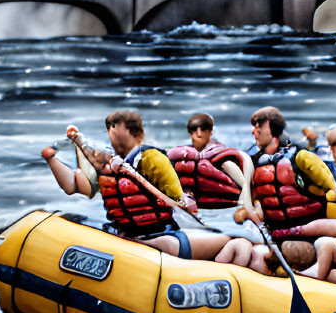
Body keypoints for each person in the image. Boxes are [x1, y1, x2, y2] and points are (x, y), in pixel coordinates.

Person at [43, 110, 262, 268]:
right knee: (239, 242)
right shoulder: (150, 158)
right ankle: (215, 279)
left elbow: (74, 186)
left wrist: (60, 155)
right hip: (160, 240)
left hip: (121, 236)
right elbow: (181, 203)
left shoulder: (106, 166)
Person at [242, 108, 336, 269]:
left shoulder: (300, 158)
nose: (254, 132)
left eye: (259, 128)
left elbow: (332, 193)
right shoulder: (252, 163)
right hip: (274, 233)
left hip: (310, 234)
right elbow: (251, 200)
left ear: (274, 130)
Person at [168, 113, 253, 214]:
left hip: (225, 207)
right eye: (194, 130)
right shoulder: (182, 157)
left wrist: (245, 193)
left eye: (203, 129)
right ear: (190, 132)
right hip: (195, 207)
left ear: (210, 132)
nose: (199, 134)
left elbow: (233, 166)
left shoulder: (221, 154)